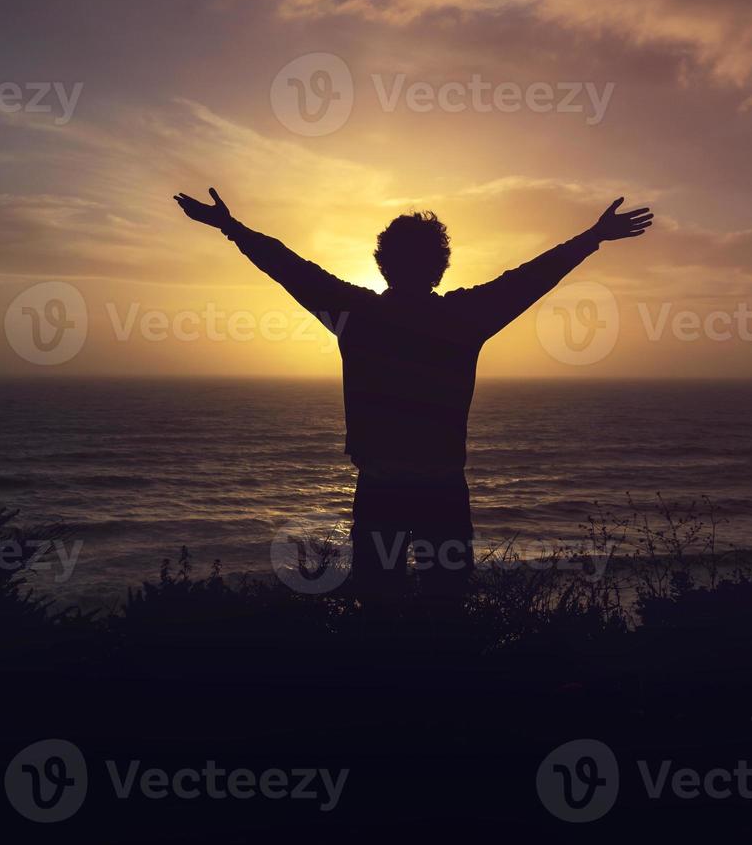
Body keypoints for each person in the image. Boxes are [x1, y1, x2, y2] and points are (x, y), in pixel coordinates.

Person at [174, 188, 653, 598]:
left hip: (380, 489)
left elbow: (290, 268)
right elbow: (530, 278)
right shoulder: (464, 317)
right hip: (442, 490)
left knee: (378, 604)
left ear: (382, 263)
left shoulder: (354, 314)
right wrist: (592, 238)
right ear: (440, 267)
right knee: (447, 605)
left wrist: (230, 227)